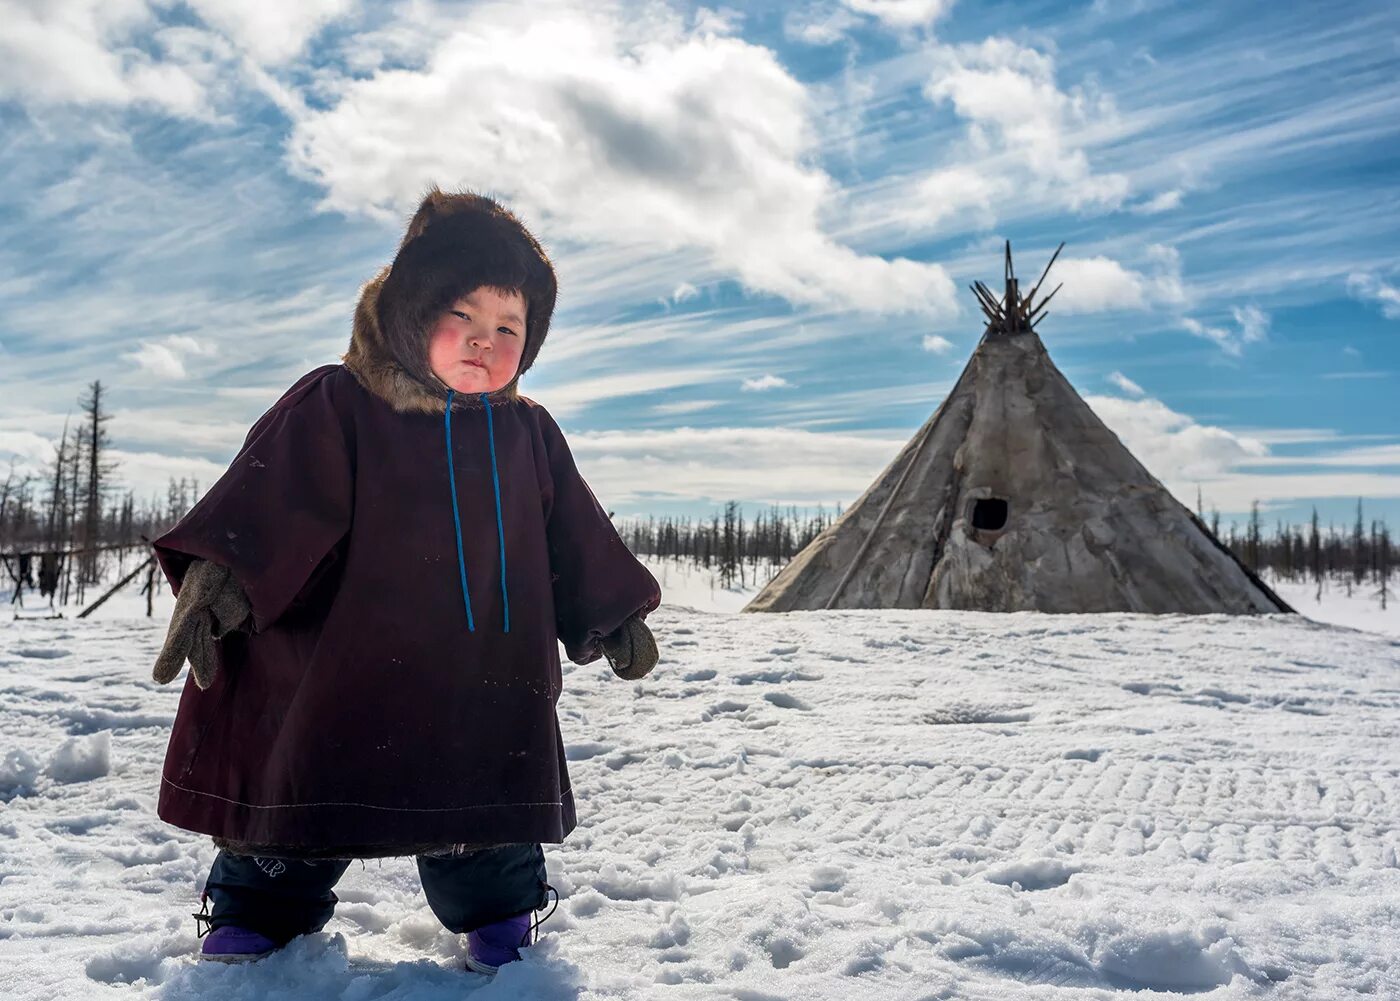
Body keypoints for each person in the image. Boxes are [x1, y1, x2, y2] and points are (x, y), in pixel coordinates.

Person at [149, 188, 662, 974]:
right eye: (464, 316)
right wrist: (224, 576)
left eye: (509, 328)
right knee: (298, 790)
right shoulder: (339, 404)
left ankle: (498, 911)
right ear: (412, 313)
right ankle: (258, 905)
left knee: (484, 802)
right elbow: (273, 496)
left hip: (482, 677)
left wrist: (611, 608)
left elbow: (573, 536)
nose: (485, 342)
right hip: (337, 666)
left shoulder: (527, 433)